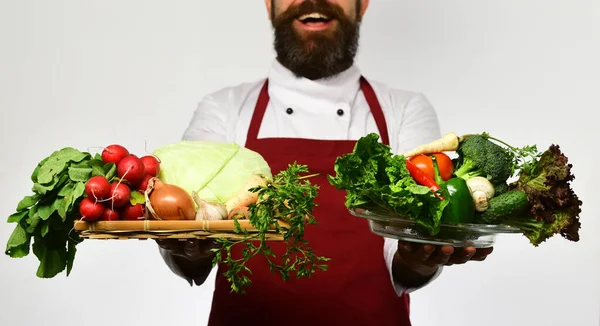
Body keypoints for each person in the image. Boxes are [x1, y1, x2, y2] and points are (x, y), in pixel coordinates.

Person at [157, 0, 493, 325]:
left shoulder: (404, 109)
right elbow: (191, 233)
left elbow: (405, 255)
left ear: (362, 4)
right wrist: (189, 250)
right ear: (268, 3)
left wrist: (419, 259)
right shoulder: (223, 109)